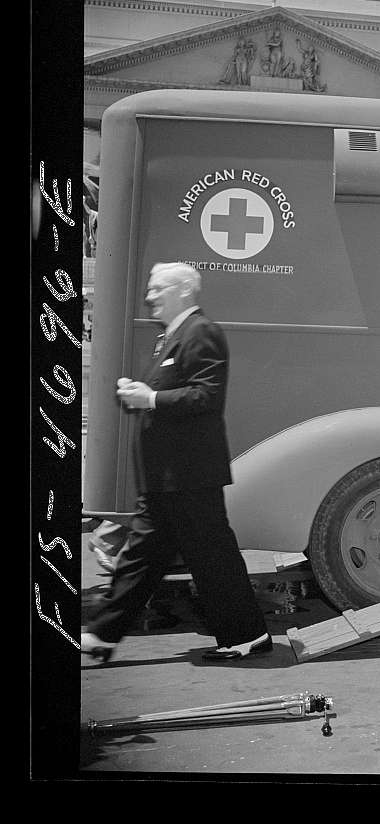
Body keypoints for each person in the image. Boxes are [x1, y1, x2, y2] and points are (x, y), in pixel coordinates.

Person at [81, 262, 270, 663]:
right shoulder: (171, 336)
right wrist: (144, 392)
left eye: (159, 288)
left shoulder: (201, 332)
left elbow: (206, 396)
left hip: (189, 475)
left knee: (210, 557)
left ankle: (247, 637)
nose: (150, 296)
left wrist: (148, 399)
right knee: (143, 557)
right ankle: (102, 634)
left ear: (184, 291)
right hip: (169, 477)